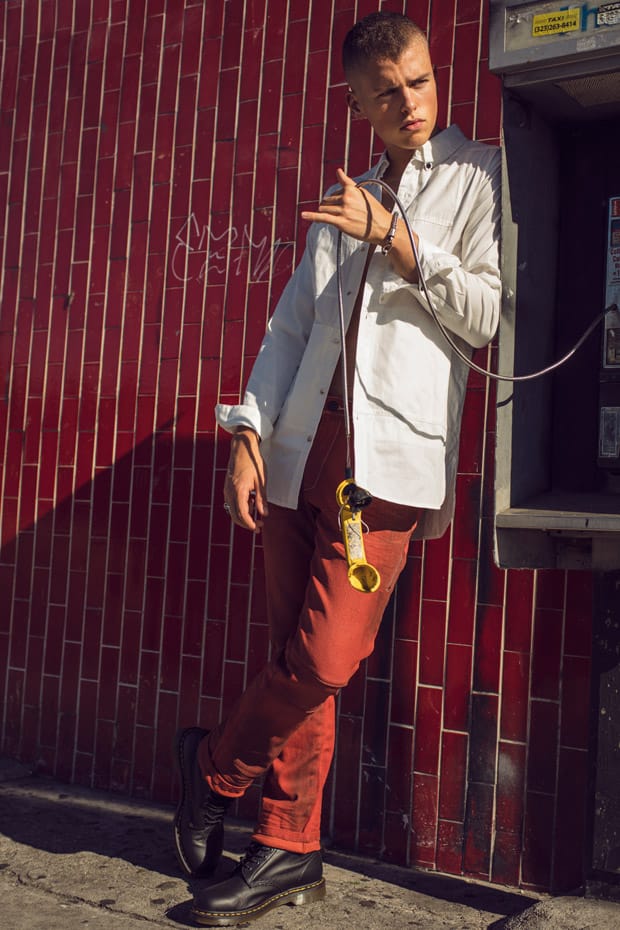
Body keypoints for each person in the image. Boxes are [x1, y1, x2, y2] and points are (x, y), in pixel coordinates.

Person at [173, 11, 501, 927]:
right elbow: (291, 328)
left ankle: (211, 770)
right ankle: (287, 849)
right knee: (294, 656)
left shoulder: (482, 177)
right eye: (387, 93)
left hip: (385, 469)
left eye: (421, 81)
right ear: (358, 104)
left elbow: (485, 313)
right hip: (301, 451)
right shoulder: (343, 197)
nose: (411, 104)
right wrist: (248, 432)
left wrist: (397, 238)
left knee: (326, 656)